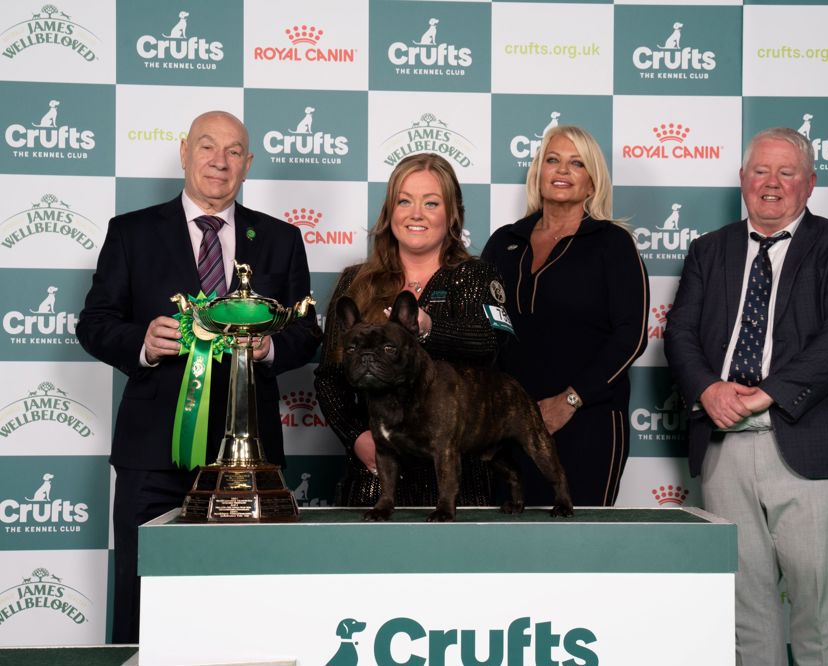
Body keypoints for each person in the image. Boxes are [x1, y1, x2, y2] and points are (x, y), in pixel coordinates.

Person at [76, 110, 321, 644]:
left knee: (245, 598)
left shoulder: (279, 239)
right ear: (185, 151)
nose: (220, 161)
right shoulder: (131, 233)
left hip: (250, 460)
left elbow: (307, 332)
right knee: (144, 597)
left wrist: (270, 346)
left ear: (248, 163)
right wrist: (141, 343)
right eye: (208, 147)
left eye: (234, 151)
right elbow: (94, 324)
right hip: (153, 454)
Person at [663, 127, 828, 666]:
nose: (772, 184)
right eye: (761, 171)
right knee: (744, 609)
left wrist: (764, 396)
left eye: (786, 173)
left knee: (818, 610)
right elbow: (681, 332)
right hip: (722, 446)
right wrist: (709, 390)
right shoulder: (709, 249)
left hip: (810, 445)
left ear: (809, 183)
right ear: (742, 179)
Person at [314, 153, 510, 508]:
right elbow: (329, 376)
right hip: (374, 477)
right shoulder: (354, 282)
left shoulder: (479, 276)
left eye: (431, 203)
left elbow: (492, 345)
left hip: (458, 479)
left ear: (452, 215)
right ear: (390, 212)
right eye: (404, 201)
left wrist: (429, 328)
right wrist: (357, 436)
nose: (416, 213)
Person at [481, 126, 649, 507]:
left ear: (592, 182)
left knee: (579, 546)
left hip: (587, 420)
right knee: (506, 547)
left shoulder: (613, 243)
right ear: (538, 173)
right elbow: (483, 330)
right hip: (507, 423)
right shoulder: (503, 241)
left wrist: (570, 400)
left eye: (577, 163)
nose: (562, 170)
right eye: (552, 160)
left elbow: (632, 336)